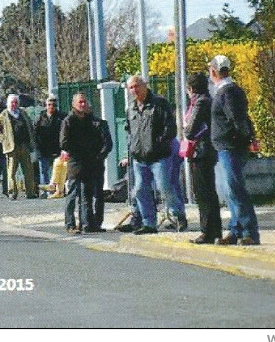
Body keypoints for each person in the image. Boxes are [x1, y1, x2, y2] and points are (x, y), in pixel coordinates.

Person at [209, 54, 261, 246]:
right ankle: (235, 229)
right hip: (225, 147)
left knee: (235, 189)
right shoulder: (225, 91)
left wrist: (242, 140)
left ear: (213, 71)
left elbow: (237, 119)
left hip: (231, 147)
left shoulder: (227, 92)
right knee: (229, 191)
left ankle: (248, 231)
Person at [126, 74, 187, 234]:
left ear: (144, 85)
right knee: (139, 189)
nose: (134, 90)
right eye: (131, 87)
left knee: (164, 187)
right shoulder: (131, 107)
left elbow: (170, 128)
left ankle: (177, 216)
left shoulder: (159, 104)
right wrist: (133, 147)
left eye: (136, 86)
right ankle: (149, 223)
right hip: (139, 158)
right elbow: (129, 130)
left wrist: (159, 143)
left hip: (159, 156)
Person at [184, 71, 221, 244]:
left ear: (191, 88)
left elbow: (190, 130)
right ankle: (215, 230)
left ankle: (207, 231)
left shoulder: (200, 103)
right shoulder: (208, 100)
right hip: (207, 150)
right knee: (209, 192)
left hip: (201, 151)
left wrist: (185, 129)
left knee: (203, 193)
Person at [59, 91, 101, 234]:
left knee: (86, 195)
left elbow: (96, 138)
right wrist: (77, 149)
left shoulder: (89, 120)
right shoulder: (68, 121)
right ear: (74, 104)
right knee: (72, 194)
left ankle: (85, 223)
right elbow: (64, 142)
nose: (83, 105)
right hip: (75, 162)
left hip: (88, 162)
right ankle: (70, 223)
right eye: (80, 102)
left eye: (84, 102)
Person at [0, 93, 38, 199]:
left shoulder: (23, 113)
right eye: (12, 102)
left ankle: (30, 192)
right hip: (11, 147)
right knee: (11, 171)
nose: (14, 104)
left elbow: (29, 126)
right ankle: (12, 192)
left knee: (28, 170)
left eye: (16, 102)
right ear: (8, 103)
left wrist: (31, 141)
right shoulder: (4, 115)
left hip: (24, 146)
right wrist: (3, 139)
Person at [33, 94, 64, 192]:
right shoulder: (40, 117)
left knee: (58, 170)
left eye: (54, 105)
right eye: (49, 104)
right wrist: (36, 146)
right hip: (43, 149)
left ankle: (58, 189)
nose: (51, 107)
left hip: (56, 148)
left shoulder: (61, 117)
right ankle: (45, 191)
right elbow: (34, 132)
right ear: (46, 105)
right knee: (44, 171)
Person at [90, 112, 114, 232]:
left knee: (98, 193)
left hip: (97, 162)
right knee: (84, 193)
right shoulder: (76, 123)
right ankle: (86, 221)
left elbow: (108, 144)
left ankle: (98, 221)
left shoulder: (100, 124)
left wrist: (100, 156)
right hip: (82, 163)